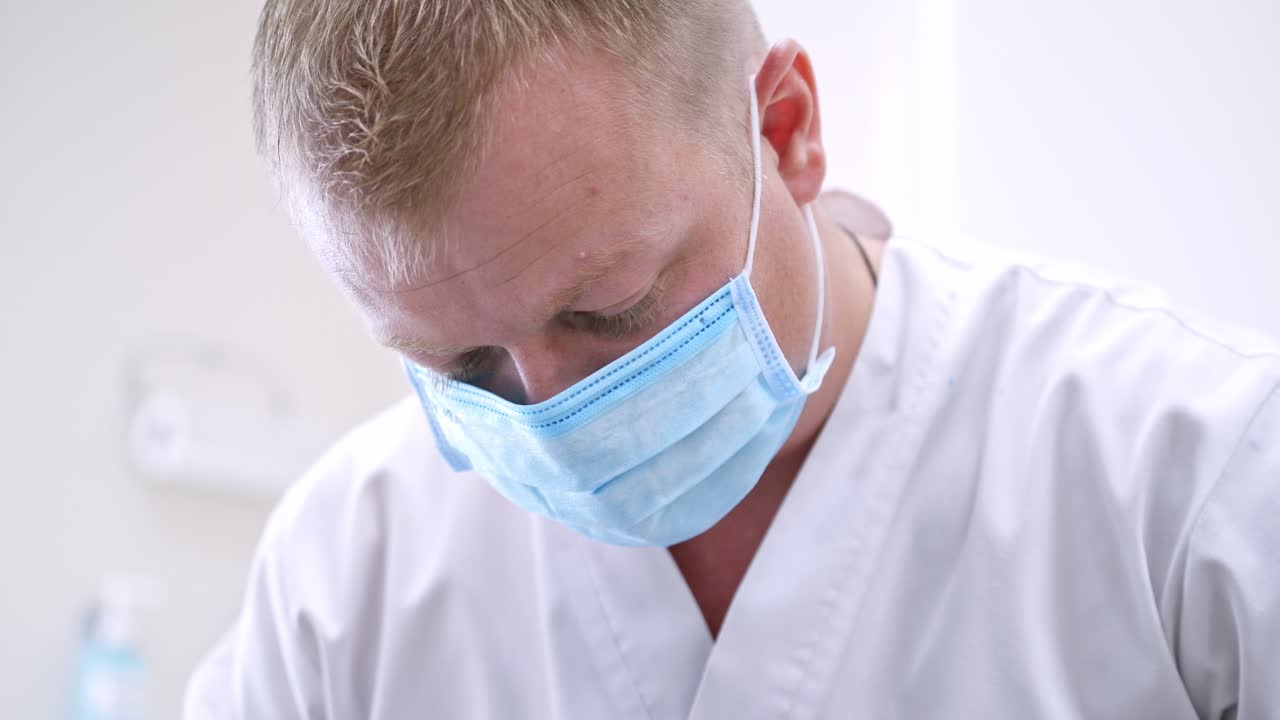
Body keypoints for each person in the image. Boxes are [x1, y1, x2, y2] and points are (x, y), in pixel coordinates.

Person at [185, 0, 1280, 717]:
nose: (553, 425)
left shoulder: (1194, 479)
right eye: (464, 365)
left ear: (786, 127)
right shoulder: (344, 577)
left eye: (609, 311)